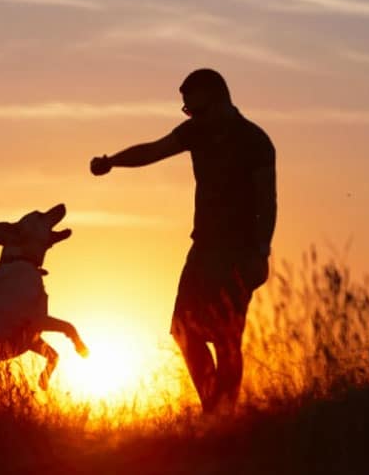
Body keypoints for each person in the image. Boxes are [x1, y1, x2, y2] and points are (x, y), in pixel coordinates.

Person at [89, 69, 277, 413]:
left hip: (239, 251)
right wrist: (113, 161)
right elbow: (153, 151)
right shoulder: (196, 133)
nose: (189, 115)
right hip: (203, 247)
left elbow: (268, 201)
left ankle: (224, 417)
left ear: (216, 97)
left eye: (193, 107)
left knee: (226, 339)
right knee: (182, 328)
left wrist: (260, 252)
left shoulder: (254, 140)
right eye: (187, 111)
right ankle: (214, 411)